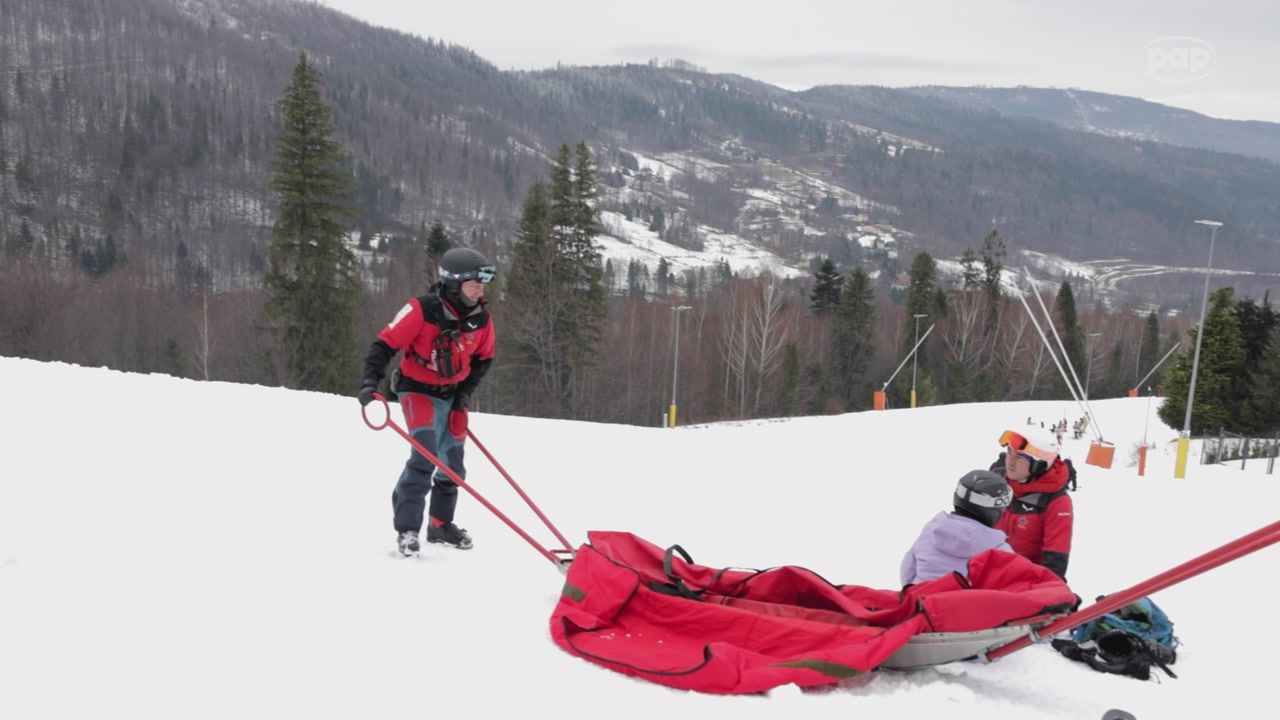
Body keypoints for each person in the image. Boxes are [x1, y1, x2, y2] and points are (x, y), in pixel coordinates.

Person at [358, 247, 497, 557]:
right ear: (452, 283)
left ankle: (439, 525)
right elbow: (384, 344)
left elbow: (484, 360)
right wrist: (370, 383)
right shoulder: (421, 310)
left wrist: (463, 394)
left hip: (452, 395)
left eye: (482, 284)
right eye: (473, 283)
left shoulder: (481, 320)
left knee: (453, 466)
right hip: (417, 391)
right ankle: (407, 529)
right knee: (425, 455)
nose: (479, 290)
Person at [900, 470, 1014, 586]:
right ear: (994, 511)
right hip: (966, 604)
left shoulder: (932, 530)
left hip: (921, 600)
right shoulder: (1000, 550)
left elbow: (907, 571)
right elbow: (1010, 590)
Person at [990, 428, 1074, 581]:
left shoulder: (1056, 501)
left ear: (1040, 465)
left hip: (1024, 583)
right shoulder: (997, 482)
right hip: (986, 573)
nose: (1011, 461)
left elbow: (1055, 561)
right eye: (1009, 452)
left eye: (1021, 457)